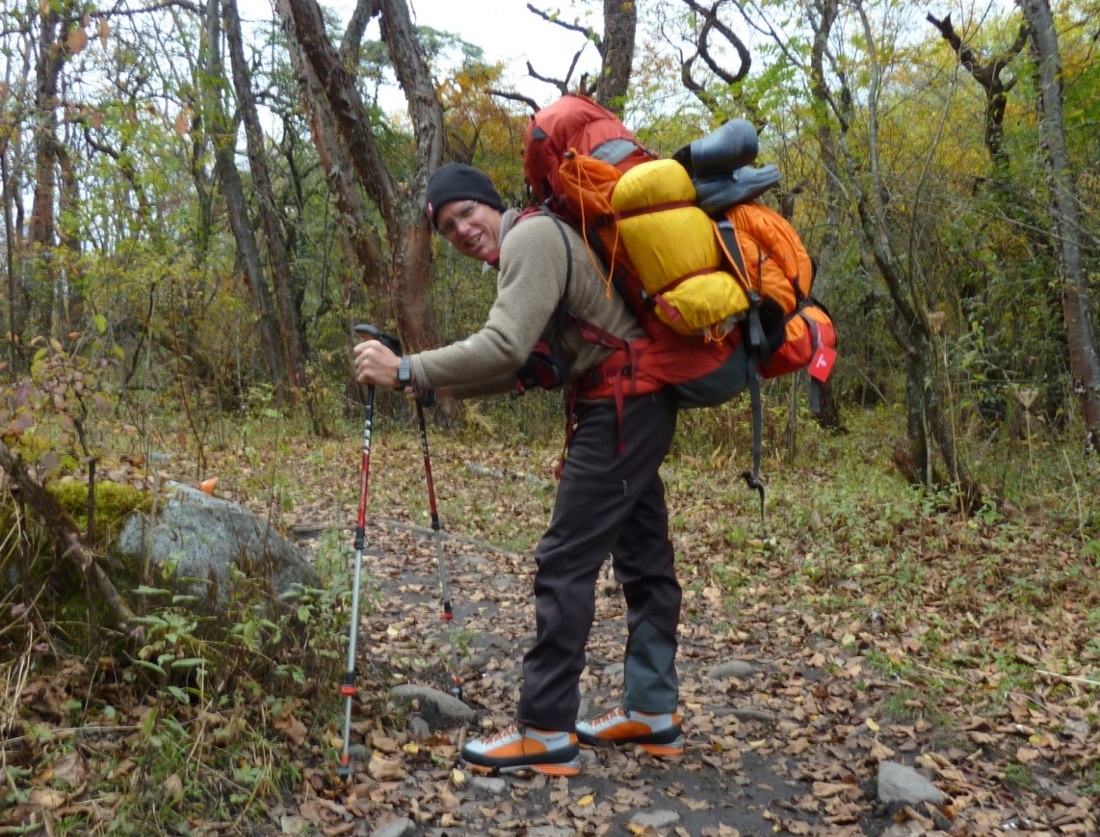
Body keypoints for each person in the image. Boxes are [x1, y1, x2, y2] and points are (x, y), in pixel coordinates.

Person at [352, 162, 684, 776]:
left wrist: (407, 369)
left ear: (489, 203)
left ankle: (546, 728)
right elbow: (531, 367)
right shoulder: (538, 241)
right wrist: (437, 388)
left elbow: (501, 344)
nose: (462, 230)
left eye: (466, 214)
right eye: (449, 228)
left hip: (620, 407)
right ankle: (653, 710)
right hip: (634, 402)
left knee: (564, 561)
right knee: (643, 556)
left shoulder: (529, 238)